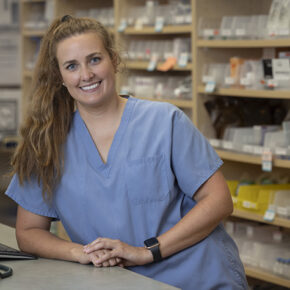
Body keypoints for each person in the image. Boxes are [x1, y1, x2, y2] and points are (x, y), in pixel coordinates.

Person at [5, 15, 248, 290]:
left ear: (114, 60)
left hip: (197, 278)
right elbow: (28, 231)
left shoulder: (164, 121)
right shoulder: (49, 142)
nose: (86, 75)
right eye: (72, 66)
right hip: (119, 282)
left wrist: (147, 252)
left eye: (95, 59)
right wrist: (81, 253)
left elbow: (219, 200)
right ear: (60, 77)